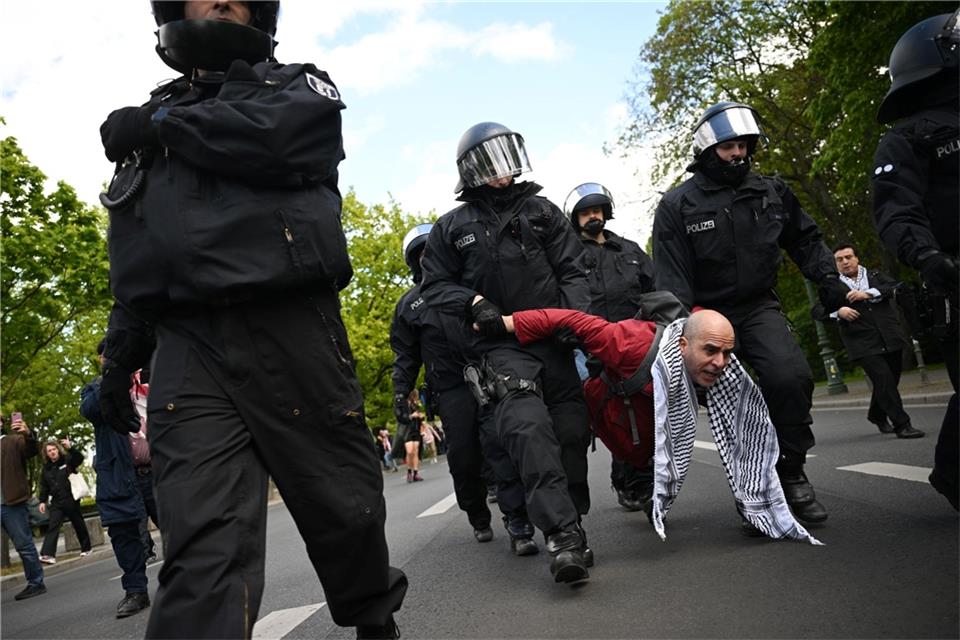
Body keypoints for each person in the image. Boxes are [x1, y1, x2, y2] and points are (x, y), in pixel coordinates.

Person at [96, 2, 406, 637]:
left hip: (291, 324)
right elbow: (141, 260)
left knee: (344, 509)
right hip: (187, 347)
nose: (221, 0)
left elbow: (282, 138)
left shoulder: (294, 86)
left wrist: (162, 125)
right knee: (204, 549)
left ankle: (374, 620)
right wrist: (116, 362)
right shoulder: (148, 134)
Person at [652, 101, 849, 525]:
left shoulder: (772, 191)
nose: (738, 154)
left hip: (759, 305)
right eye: (728, 148)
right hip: (706, 313)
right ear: (707, 151)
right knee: (733, 402)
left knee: (789, 377)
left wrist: (834, 285)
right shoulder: (677, 205)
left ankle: (791, 472)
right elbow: (672, 278)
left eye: (743, 145)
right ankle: (755, 491)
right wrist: (682, 344)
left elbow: (807, 241)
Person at [489, 302, 821, 545]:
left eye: (727, 353)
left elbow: (747, 436)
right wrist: (505, 322)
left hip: (646, 415)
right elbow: (571, 320)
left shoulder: (719, 366)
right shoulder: (628, 343)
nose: (720, 363)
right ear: (682, 346)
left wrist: (759, 500)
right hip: (606, 403)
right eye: (710, 351)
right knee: (570, 423)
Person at [420, 122, 593, 584]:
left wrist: (577, 323)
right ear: (472, 169)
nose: (502, 172)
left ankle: (573, 519)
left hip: (555, 341)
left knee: (571, 436)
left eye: (506, 158)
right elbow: (434, 286)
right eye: (490, 162)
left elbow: (573, 270)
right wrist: (473, 303)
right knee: (527, 431)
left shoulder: (542, 211)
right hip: (501, 348)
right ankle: (562, 536)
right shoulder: (451, 228)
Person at [872, 11, 959, 510]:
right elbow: (895, 207)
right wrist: (926, 255)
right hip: (952, 271)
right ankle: (952, 473)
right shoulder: (907, 139)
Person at [390, 223, 503, 544]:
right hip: (451, 389)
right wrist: (401, 392)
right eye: (421, 254)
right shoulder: (408, 306)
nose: (428, 258)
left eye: (432, 252)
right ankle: (478, 515)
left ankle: (517, 518)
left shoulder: (470, 289)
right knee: (464, 457)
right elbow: (405, 356)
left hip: (488, 374)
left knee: (501, 444)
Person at [565, 182, 656, 513]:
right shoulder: (567, 255)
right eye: (585, 212)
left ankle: (637, 481)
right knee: (609, 410)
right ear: (575, 218)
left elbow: (654, 289)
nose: (592, 216)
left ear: (606, 213)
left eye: (597, 210)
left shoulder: (631, 250)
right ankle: (629, 479)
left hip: (634, 341)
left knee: (640, 409)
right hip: (589, 346)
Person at [826, 244, 923, 438]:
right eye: (840, 259)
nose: (845, 262)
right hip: (861, 342)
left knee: (889, 382)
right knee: (884, 380)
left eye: (848, 257)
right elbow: (818, 310)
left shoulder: (876, 276)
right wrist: (839, 311)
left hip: (890, 335)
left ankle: (876, 414)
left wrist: (868, 293)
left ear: (856, 258)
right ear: (836, 264)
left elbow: (895, 287)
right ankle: (903, 425)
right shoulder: (832, 286)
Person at [81, 360, 151, 619]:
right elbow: (89, 410)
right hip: (119, 475)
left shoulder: (152, 380)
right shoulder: (95, 389)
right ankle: (136, 592)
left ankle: (197, 582)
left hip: (160, 471)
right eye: (106, 355)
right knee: (124, 535)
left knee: (181, 525)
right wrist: (112, 379)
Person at [0, 414, 47, 601]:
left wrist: (28, 433)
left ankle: (36, 582)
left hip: (10, 503)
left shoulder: (14, 441)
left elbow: (32, 449)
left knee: (23, 544)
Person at [37, 437, 93, 563]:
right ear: (46, 454)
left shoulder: (67, 460)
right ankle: (48, 554)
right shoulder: (46, 468)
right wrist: (42, 501)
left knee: (78, 523)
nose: (52, 452)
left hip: (70, 498)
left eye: (54, 449)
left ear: (58, 449)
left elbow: (79, 459)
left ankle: (86, 548)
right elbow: (44, 486)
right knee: (53, 526)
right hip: (57, 502)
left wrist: (70, 447)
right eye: (49, 450)